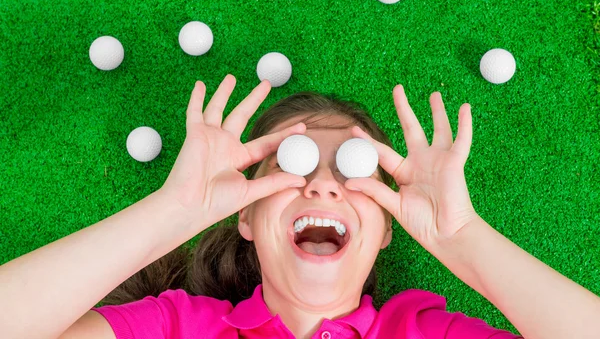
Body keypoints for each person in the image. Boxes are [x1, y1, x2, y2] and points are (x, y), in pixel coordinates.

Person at [0, 74, 599, 339]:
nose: (323, 185)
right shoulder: (178, 328)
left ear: (387, 228)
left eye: (353, 169)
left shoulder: (420, 334)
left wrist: (463, 236)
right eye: (292, 164)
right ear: (245, 217)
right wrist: (171, 213)